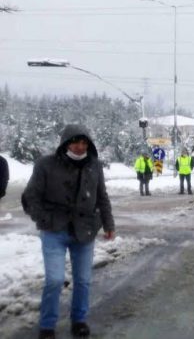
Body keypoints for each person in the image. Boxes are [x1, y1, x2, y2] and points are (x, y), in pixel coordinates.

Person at [21, 124, 115, 339]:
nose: (80, 147)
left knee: (83, 280)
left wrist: (108, 224)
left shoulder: (94, 166)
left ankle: (79, 321)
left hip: (85, 231)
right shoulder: (46, 164)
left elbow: (102, 197)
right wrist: (44, 219)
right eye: (75, 141)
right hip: (55, 231)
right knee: (54, 280)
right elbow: (30, 197)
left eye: (84, 143)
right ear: (65, 142)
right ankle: (47, 326)